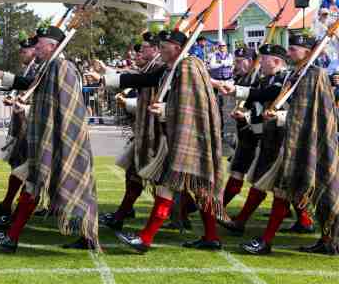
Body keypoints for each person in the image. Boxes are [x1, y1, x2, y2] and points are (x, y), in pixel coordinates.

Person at [94, 30, 224, 253]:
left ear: (177, 47)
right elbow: (144, 79)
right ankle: (207, 236)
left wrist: (165, 109)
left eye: (164, 47)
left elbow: (191, 105)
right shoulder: (170, 68)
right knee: (178, 188)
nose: (160, 51)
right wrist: (107, 78)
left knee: (191, 189)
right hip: (172, 137)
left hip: (189, 138)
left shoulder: (189, 67)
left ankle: (147, 238)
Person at [0, 25, 98, 252]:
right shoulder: (50, 66)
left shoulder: (62, 68)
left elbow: (66, 107)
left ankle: (86, 236)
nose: (35, 49)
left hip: (61, 139)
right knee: (34, 184)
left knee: (70, 187)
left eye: (39, 44)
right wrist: (2, 76)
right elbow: (32, 85)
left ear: (53, 46)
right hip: (47, 138)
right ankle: (12, 237)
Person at [237, 35, 338, 256]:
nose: (289, 53)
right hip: (291, 142)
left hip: (309, 142)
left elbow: (312, 114)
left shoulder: (316, 75)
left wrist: (281, 117)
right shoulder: (296, 74)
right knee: (283, 191)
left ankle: (326, 239)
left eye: (293, 49)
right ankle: (268, 240)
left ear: (307, 52)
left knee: (321, 193)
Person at [217, 43, 289, 236]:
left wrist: (237, 93)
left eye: (264, 59)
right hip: (263, 135)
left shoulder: (283, 79)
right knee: (263, 182)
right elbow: (256, 102)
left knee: (282, 186)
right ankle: (239, 220)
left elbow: (268, 95)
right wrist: (245, 113)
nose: (260, 63)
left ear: (276, 61)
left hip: (283, 139)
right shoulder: (265, 78)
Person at [98, 32, 164, 233]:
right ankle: (121, 214)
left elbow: (143, 83)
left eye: (144, 47)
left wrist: (125, 100)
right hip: (146, 131)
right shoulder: (153, 68)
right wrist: (108, 74)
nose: (140, 51)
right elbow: (134, 76)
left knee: (170, 183)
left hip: (159, 133)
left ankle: (188, 212)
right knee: (135, 173)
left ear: (155, 49)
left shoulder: (160, 69)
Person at [0, 35, 38, 221]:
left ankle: (12, 211)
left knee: (26, 171)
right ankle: (8, 207)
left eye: (25, 51)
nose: (22, 54)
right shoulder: (30, 67)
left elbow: (31, 86)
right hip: (21, 123)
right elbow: (23, 85)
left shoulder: (40, 67)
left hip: (31, 125)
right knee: (18, 168)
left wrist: (0, 75)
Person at [217, 47, 260, 209]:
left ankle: (304, 220)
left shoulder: (259, 79)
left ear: (250, 62)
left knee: (271, 179)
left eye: (239, 61)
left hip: (258, 132)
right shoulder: (241, 79)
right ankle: (219, 208)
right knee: (238, 169)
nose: (236, 65)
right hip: (244, 131)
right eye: (235, 61)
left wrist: (247, 116)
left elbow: (263, 104)